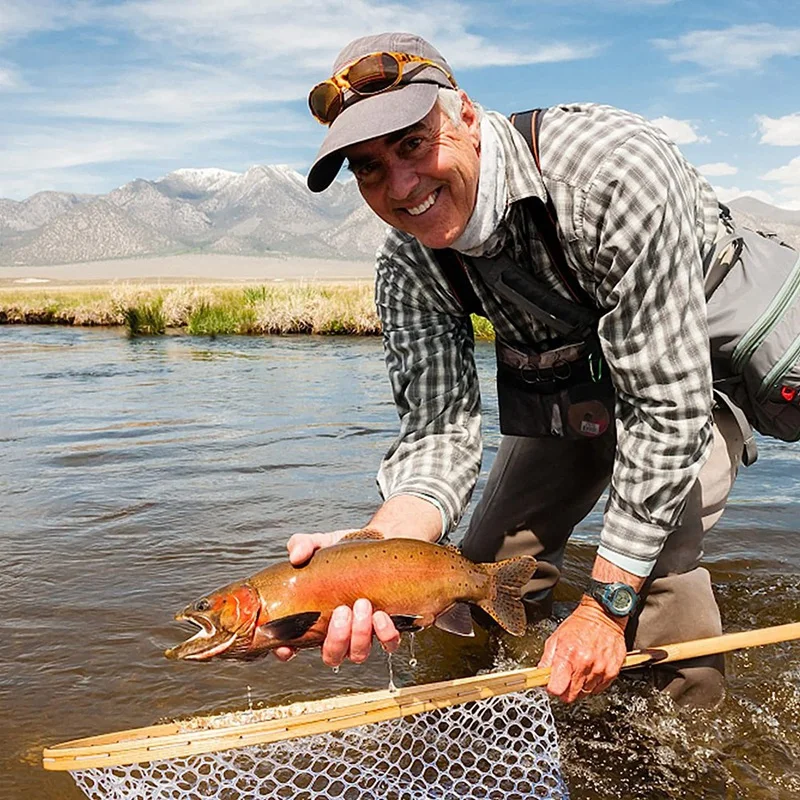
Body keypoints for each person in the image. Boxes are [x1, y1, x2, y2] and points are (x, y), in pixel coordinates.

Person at [277, 31, 746, 707]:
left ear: (466, 115)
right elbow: (437, 435)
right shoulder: (408, 266)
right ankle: (468, 713)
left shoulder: (614, 174)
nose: (400, 185)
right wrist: (379, 552)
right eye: (368, 167)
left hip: (694, 370)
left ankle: (690, 752)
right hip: (581, 380)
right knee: (485, 562)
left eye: (412, 143)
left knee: (657, 563)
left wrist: (603, 610)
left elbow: (666, 411)